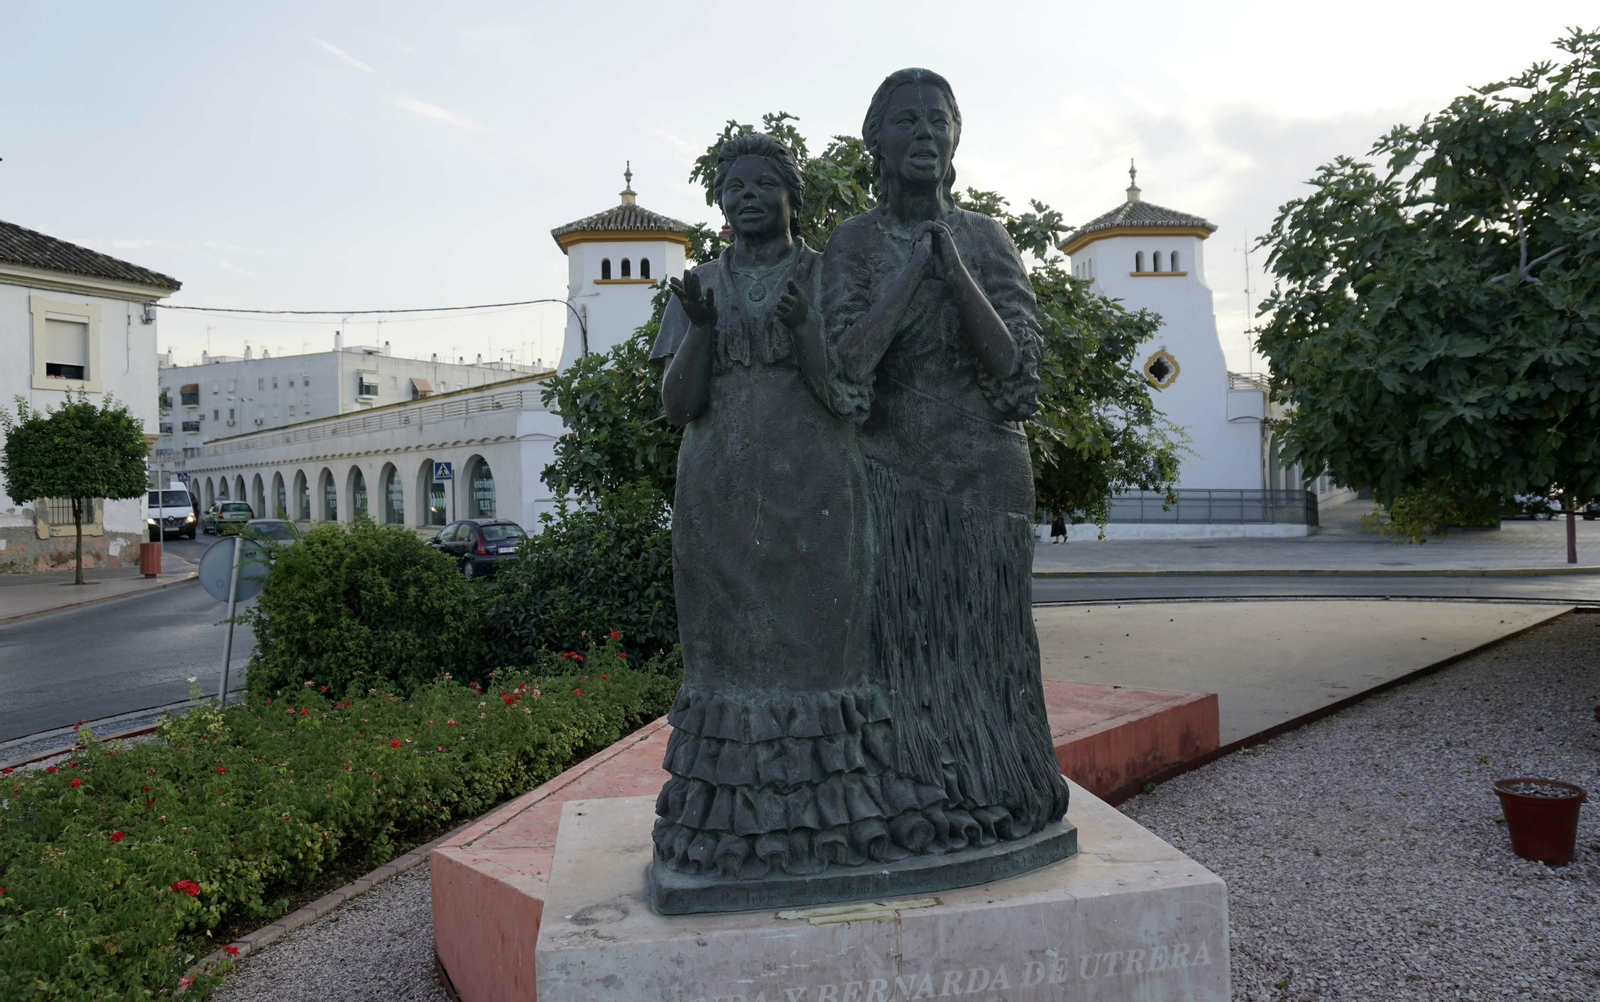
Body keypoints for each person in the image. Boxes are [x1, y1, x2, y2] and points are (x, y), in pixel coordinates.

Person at [650, 134, 944, 880]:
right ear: (719, 203)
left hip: (817, 495)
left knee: (823, 660)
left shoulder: (826, 274)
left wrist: (806, 330)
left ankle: (831, 830)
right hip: (718, 499)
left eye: (760, 183)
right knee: (726, 666)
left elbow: (849, 395)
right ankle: (727, 834)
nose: (745, 196)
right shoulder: (699, 286)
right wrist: (704, 334)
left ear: (792, 194)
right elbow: (677, 406)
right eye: (732, 187)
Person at [822, 68, 1070, 848]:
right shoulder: (853, 243)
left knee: (987, 647)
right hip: (891, 476)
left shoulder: (986, 238)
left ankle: (1006, 790)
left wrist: (951, 265)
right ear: (876, 141)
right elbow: (843, 368)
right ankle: (912, 804)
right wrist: (909, 273)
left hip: (985, 474)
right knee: (898, 645)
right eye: (905, 122)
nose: (923, 134)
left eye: (938, 121)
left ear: (956, 138)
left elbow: (1015, 374)